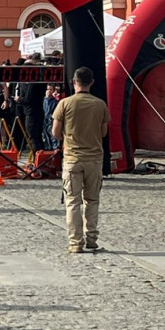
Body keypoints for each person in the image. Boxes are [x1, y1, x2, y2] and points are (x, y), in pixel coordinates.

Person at [51, 66, 110, 254]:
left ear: (74, 82)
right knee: (92, 200)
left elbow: (55, 131)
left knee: (72, 201)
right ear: (91, 82)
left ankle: (75, 242)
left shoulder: (64, 103)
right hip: (94, 159)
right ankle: (91, 238)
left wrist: (67, 138)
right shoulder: (100, 104)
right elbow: (103, 132)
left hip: (72, 158)